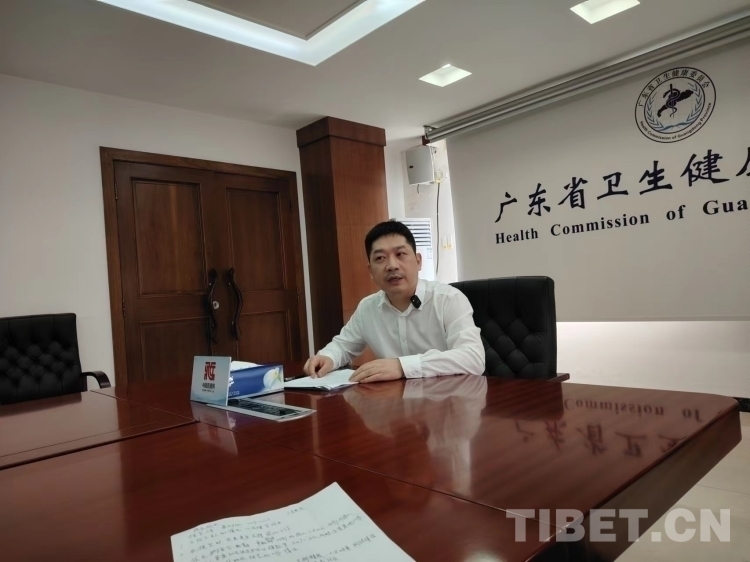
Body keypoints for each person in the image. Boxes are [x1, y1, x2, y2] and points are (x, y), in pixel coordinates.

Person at [303, 220, 485, 383]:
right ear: (370, 270)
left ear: (418, 261)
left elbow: (473, 358)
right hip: (395, 403)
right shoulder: (368, 308)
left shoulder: (448, 299)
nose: (391, 265)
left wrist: (402, 366)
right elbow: (343, 346)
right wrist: (328, 356)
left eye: (400, 254)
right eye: (380, 258)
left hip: (448, 401)